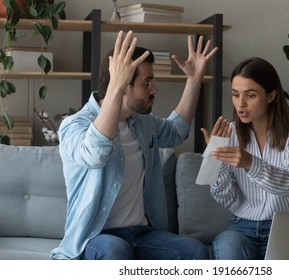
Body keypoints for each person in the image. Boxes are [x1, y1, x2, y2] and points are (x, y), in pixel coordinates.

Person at [50, 30, 218, 260]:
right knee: (115, 250)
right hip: (97, 236)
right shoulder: (74, 125)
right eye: (147, 82)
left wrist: (194, 79)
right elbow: (95, 155)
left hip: (144, 233)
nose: (154, 90)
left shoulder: (142, 123)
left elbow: (175, 132)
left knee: (194, 251)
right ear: (123, 85)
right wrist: (115, 87)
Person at [201, 57, 289, 260]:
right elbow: (229, 199)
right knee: (227, 246)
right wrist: (216, 159)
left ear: (270, 96)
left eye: (250, 95)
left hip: (286, 224)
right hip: (242, 226)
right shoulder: (230, 133)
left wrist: (249, 162)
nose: (240, 104)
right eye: (235, 95)